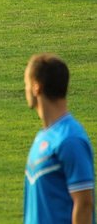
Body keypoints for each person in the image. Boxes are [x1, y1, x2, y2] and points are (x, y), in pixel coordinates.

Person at [23, 53, 95, 224]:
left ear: (36, 87)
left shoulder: (70, 139)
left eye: (26, 84)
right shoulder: (44, 137)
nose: (25, 89)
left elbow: (84, 204)